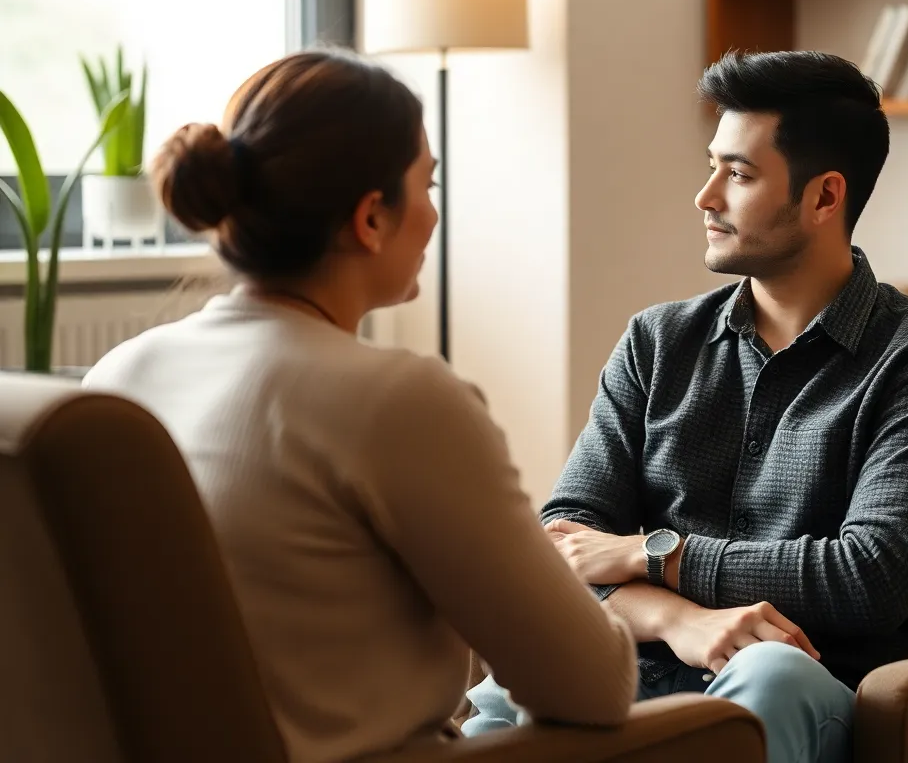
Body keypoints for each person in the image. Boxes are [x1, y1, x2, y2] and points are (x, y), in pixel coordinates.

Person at [82, 50, 637, 763]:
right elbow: (593, 688)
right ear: (372, 218)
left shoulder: (119, 374)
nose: (434, 213)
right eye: (426, 183)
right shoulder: (400, 402)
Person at [463, 51, 908, 763]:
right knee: (500, 699)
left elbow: (869, 577)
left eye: (738, 174)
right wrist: (676, 617)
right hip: (646, 668)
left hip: (811, 688)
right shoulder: (657, 340)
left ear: (825, 197)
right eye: (712, 166)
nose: (705, 196)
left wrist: (649, 553)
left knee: (769, 675)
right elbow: (563, 544)